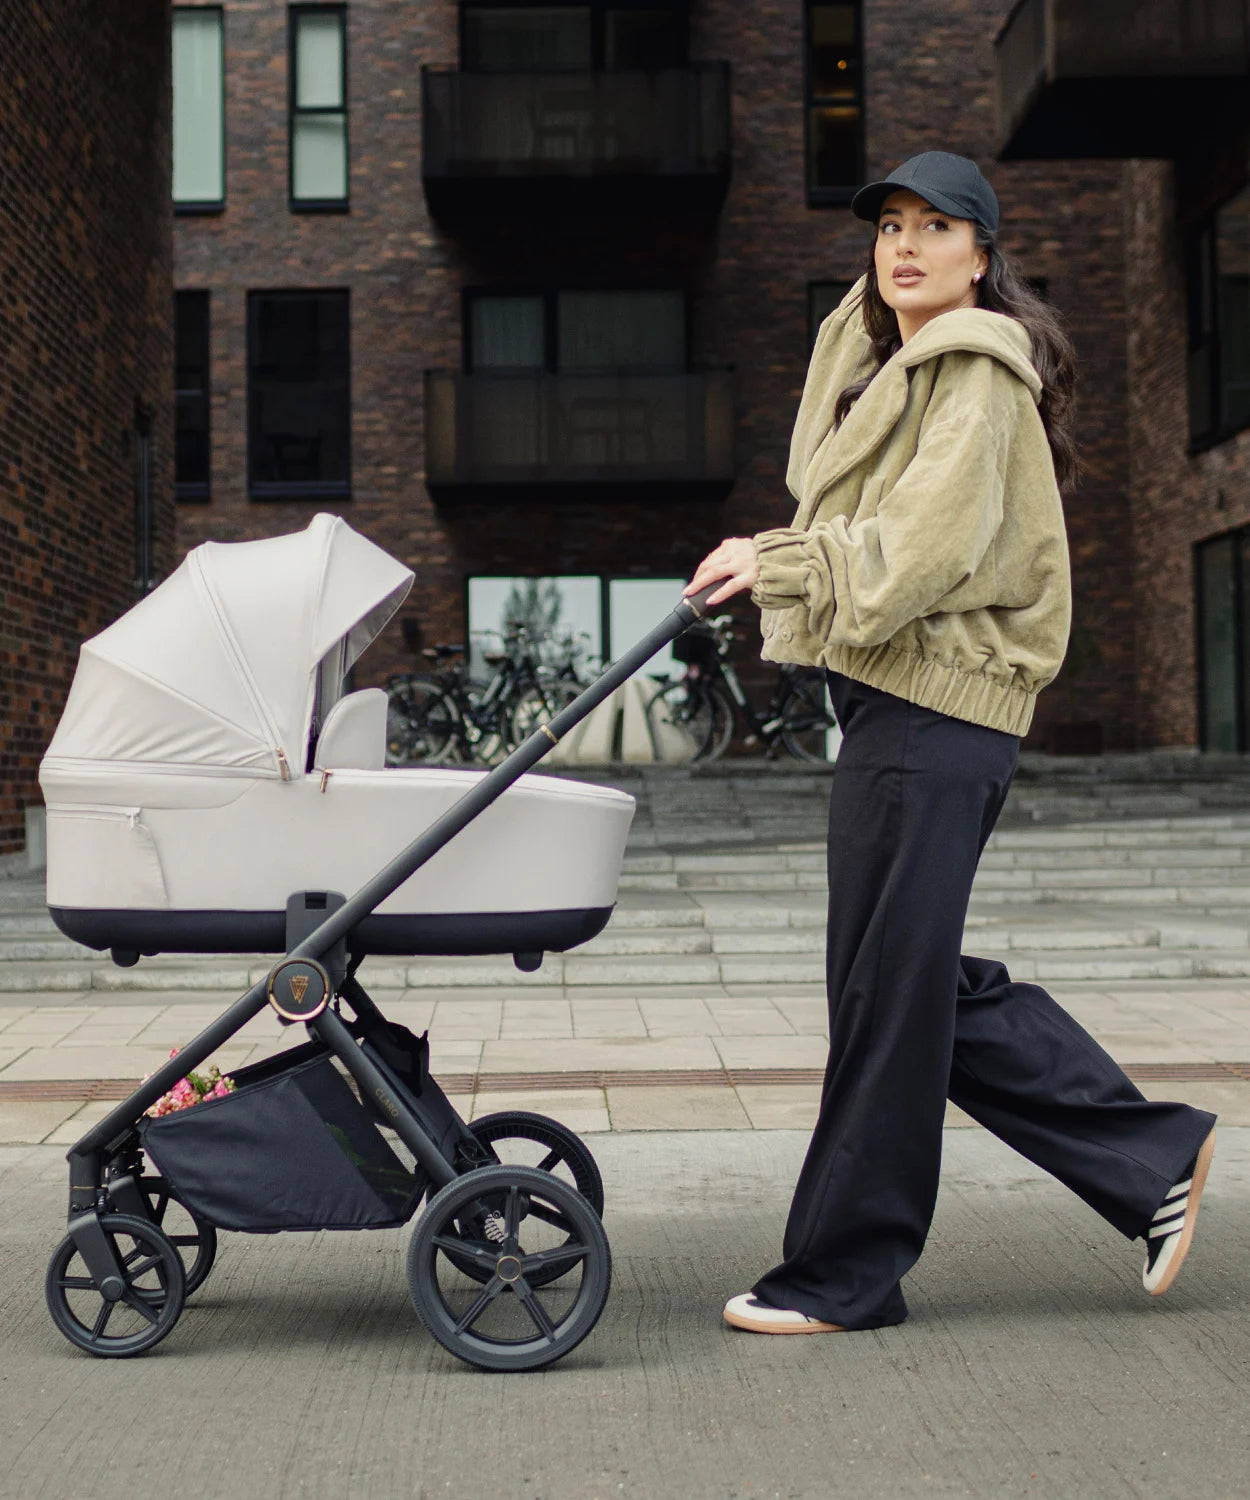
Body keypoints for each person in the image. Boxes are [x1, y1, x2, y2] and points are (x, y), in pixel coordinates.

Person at [685, 151, 1218, 1336]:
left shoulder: (973, 375)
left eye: (936, 227)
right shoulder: (901, 369)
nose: (905, 246)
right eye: (888, 227)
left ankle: (844, 1274)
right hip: (898, 709)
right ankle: (1148, 1156)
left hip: (938, 712)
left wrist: (773, 559)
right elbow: (828, 464)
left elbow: (917, 550)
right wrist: (876, 311)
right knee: (900, 980)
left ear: (983, 254)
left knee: (887, 991)